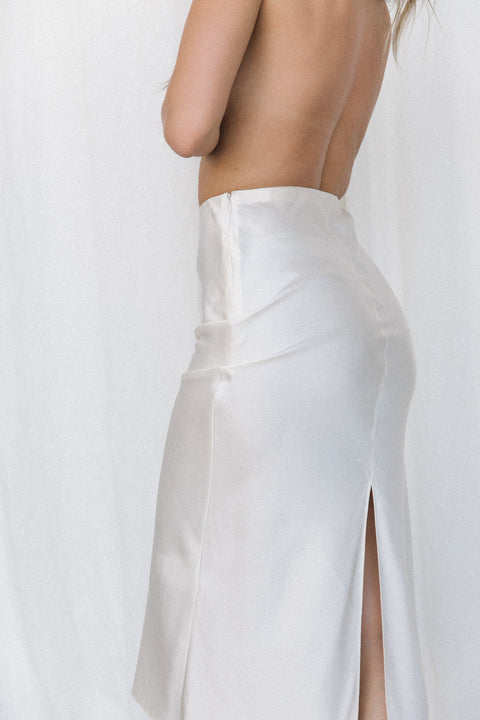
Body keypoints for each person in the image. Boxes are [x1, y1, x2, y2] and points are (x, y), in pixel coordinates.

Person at [132, 1, 434, 718]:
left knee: (229, 615)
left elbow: (188, 127)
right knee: (362, 627)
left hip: (270, 322)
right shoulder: (371, 10)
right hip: (356, 318)